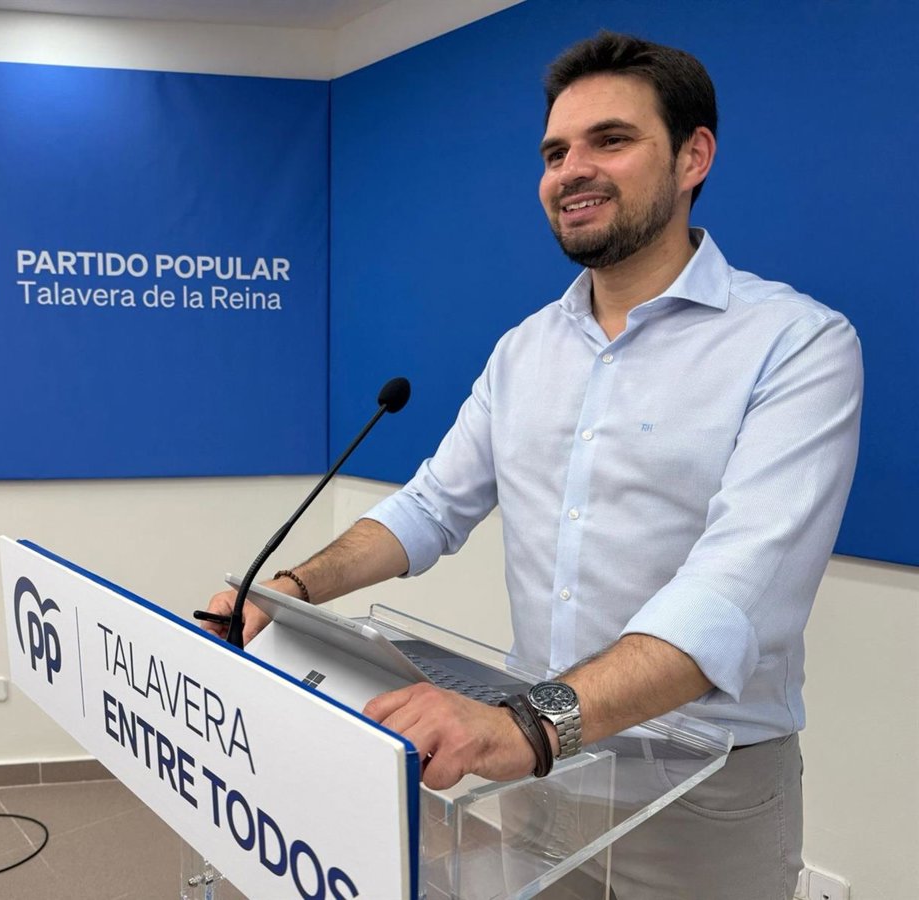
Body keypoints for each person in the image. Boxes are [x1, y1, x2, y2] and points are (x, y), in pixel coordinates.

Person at [202, 31, 861, 899]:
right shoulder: (525, 349)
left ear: (693, 156)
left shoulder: (797, 343)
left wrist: (531, 725)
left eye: (610, 140)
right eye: (555, 152)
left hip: (699, 789)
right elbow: (430, 508)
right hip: (542, 771)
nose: (572, 171)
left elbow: (731, 598)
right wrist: (286, 591)